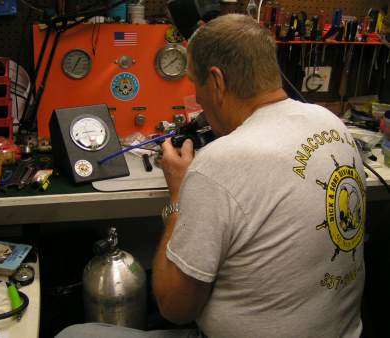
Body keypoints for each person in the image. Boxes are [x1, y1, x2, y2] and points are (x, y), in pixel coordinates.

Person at [56, 13, 366, 338]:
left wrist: (179, 193)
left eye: (195, 83)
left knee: (72, 334)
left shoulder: (219, 163)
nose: (198, 99)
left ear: (217, 82)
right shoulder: (331, 124)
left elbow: (175, 309)